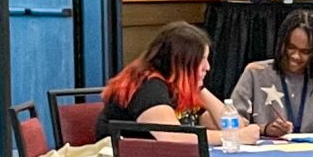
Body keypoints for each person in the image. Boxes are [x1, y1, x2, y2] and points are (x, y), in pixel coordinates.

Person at [95, 22, 237, 142]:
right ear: (181, 63)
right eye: (201, 60)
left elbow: (230, 124)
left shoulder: (178, 86)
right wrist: (232, 137)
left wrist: (200, 88)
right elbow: (173, 136)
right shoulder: (149, 87)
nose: (207, 67)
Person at [229, 9, 313, 138]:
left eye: (305, 51)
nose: (296, 56)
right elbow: (231, 124)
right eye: (291, 48)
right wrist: (264, 129)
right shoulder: (255, 73)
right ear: (282, 43)